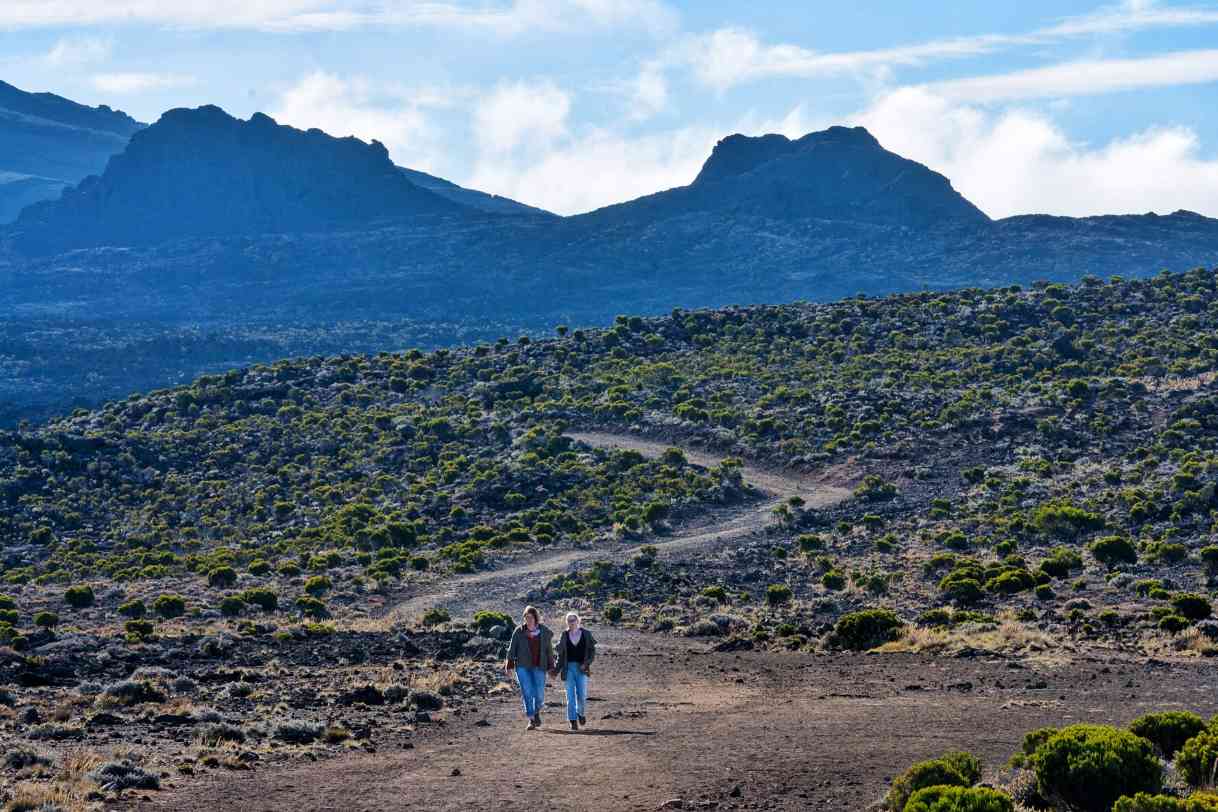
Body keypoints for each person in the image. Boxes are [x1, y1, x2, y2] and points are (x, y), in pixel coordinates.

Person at [504, 605, 554, 731]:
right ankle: (531, 719)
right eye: (526, 617)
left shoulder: (544, 631)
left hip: (539, 666)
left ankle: (536, 712)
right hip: (522, 667)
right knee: (527, 692)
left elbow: (549, 651)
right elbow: (512, 649)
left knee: (539, 694)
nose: (529, 620)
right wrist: (509, 666)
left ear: (535, 617)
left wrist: (551, 667)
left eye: (531, 617)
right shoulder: (519, 631)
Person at [554, 611, 596, 731]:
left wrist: (587, 663)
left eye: (573, 620)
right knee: (570, 696)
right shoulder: (564, 635)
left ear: (578, 621)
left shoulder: (586, 634)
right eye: (569, 621)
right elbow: (560, 654)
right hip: (568, 668)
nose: (571, 623)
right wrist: (555, 670)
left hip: (582, 668)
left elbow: (592, 651)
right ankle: (572, 721)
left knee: (582, 695)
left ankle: (581, 713)